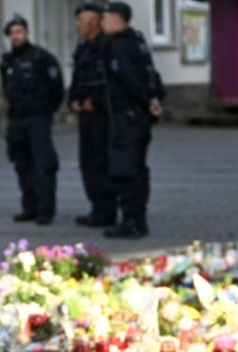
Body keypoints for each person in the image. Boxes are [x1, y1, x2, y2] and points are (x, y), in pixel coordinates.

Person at [101, 2, 164, 239]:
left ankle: (131, 221)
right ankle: (138, 220)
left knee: (125, 170)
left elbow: (130, 80)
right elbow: (151, 75)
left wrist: (147, 100)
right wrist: (154, 98)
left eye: (105, 18)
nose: (102, 23)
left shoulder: (119, 46)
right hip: (138, 117)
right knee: (137, 169)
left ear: (117, 19)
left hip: (127, 118)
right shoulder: (137, 42)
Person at [0, 15, 65, 225]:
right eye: (12, 33)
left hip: (38, 118)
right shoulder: (8, 61)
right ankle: (30, 207)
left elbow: (56, 89)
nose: (16, 36)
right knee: (22, 164)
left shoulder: (42, 58)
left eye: (19, 32)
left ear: (27, 33)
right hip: (17, 119)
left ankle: (45, 209)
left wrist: (47, 110)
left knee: (43, 164)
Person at [69, 2, 115, 228]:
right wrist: (74, 99)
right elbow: (77, 77)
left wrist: (95, 101)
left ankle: (107, 209)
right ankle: (97, 207)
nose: (78, 25)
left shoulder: (107, 46)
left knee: (102, 161)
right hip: (85, 115)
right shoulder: (83, 47)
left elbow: (111, 82)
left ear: (95, 22)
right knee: (87, 162)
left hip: (103, 115)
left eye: (82, 21)